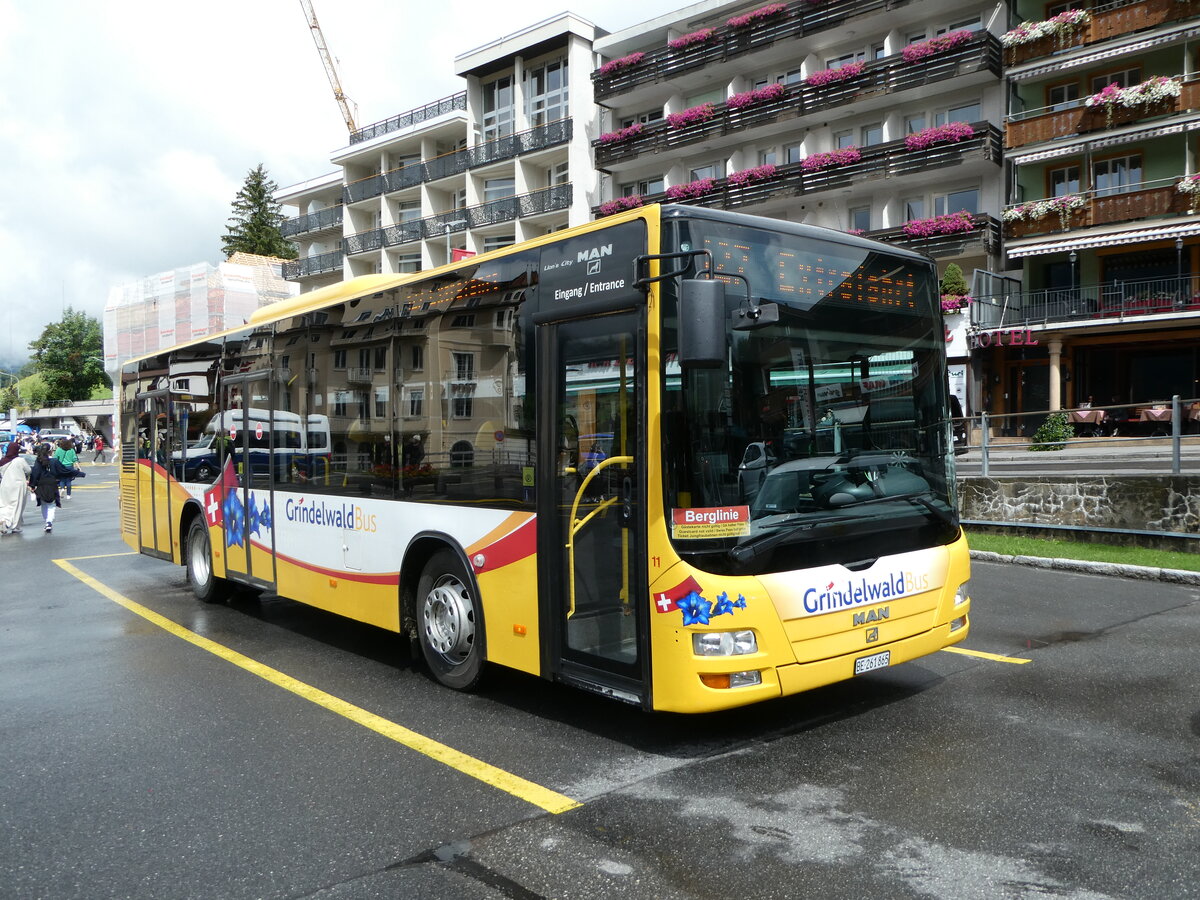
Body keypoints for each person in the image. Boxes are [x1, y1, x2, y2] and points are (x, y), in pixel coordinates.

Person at [29, 444, 63, 533]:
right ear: (50, 451)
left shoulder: (39, 460)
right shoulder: (54, 461)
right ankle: (49, 522)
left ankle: (46, 522)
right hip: (52, 484)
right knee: (51, 505)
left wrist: (32, 484)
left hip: (41, 484)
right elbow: (61, 471)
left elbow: (35, 472)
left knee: (44, 504)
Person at [0, 454, 31, 534]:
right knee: (17, 505)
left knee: (5, 504)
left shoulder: (3, 461)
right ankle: (14, 526)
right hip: (18, 485)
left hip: (5, 485)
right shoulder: (20, 460)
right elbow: (28, 470)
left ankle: (3, 520)